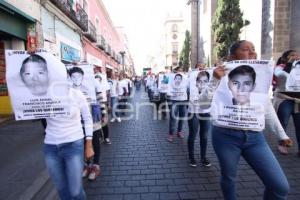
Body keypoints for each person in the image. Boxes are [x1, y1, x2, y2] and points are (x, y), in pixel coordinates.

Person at [200, 40, 290, 199]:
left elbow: (266, 109)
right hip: (225, 137)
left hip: (255, 138)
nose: (252, 53)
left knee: (279, 186)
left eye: (254, 49)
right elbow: (202, 105)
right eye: (246, 49)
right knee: (229, 178)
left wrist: (282, 135)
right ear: (233, 56)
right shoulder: (218, 74)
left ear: (253, 85)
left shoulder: (261, 78)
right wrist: (214, 80)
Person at [44, 86, 94, 199]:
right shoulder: (44, 95)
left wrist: (89, 144)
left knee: (75, 190)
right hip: (50, 146)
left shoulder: (76, 94)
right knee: (61, 189)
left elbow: (87, 118)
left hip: (73, 145)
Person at [273, 50, 300, 155]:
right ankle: (282, 144)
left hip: (298, 100)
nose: (295, 57)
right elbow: (280, 75)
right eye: (292, 55)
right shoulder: (280, 67)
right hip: (284, 98)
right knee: (283, 122)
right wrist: (289, 64)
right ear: (285, 58)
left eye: (297, 55)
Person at [188, 70, 211, 167]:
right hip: (193, 112)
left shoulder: (209, 90)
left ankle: (203, 157)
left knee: (204, 136)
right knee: (192, 135)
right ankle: (192, 157)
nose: (202, 84)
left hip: (205, 113)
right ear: (196, 81)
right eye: (200, 81)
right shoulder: (191, 86)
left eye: (205, 81)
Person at [167, 66, 188, 142]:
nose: (180, 72)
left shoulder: (186, 78)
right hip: (174, 100)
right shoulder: (171, 77)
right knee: (173, 117)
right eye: (178, 71)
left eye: (181, 71)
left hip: (183, 100)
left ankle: (179, 131)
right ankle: (171, 134)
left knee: (182, 117)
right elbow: (167, 84)